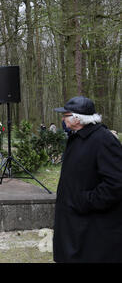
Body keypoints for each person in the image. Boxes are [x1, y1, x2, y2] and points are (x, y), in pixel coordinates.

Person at [53, 96, 122, 263]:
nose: (62, 119)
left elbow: (116, 183)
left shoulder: (103, 140)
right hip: (73, 221)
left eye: (65, 115)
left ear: (77, 118)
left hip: (92, 226)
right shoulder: (76, 138)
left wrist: (85, 201)